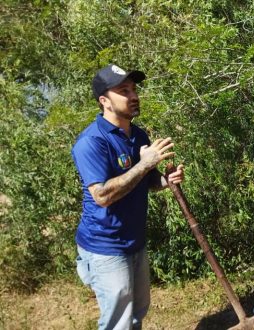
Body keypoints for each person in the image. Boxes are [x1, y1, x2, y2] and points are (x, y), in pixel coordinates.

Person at [72, 64, 185, 330]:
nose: (133, 96)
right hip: (104, 246)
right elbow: (102, 196)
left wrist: (164, 180)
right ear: (104, 101)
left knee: (137, 313)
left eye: (134, 89)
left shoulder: (137, 135)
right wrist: (145, 164)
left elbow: (144, 180)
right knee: (118, 323)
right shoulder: (92, 142)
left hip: (134, 240)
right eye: (123, 91)